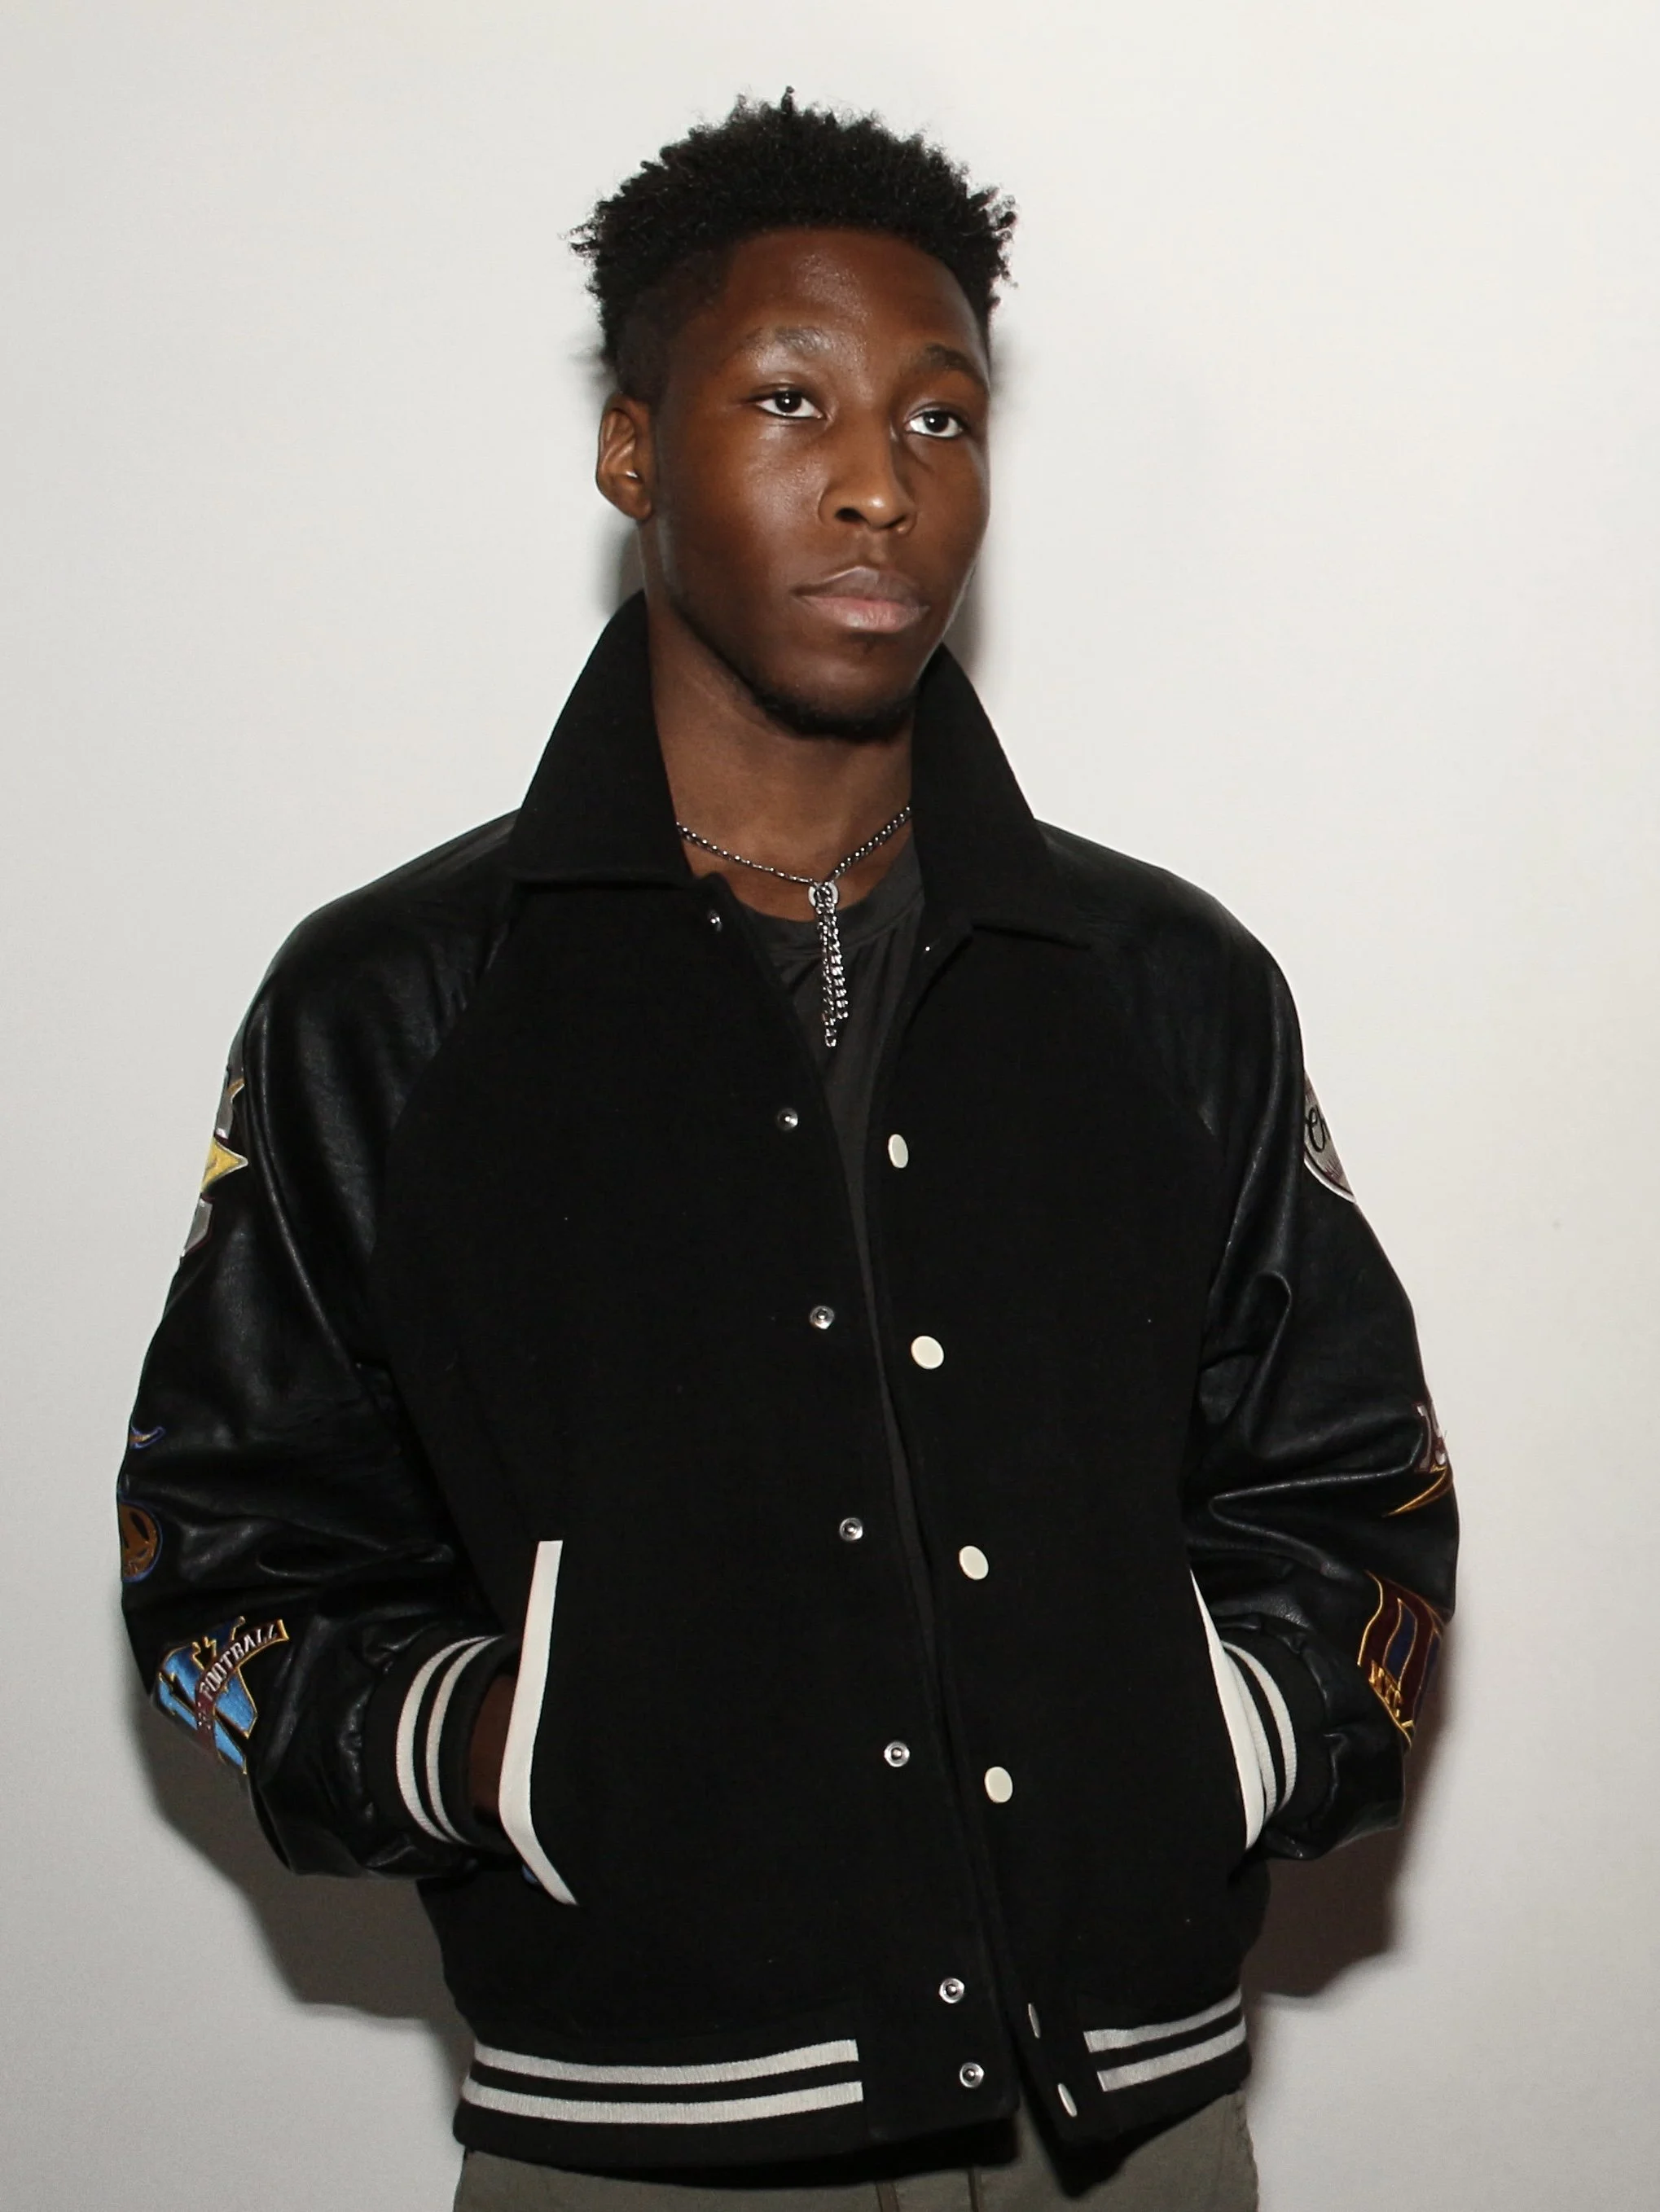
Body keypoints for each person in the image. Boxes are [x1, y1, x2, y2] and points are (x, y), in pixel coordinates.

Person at [118, 92, 1457, 2212]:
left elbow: (1355, 1488)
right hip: (636, 2149)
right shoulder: (392, 1005)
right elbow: (216, 1562)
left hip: (1130, 2138)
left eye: (940, 421)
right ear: (632, 447)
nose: (873, 482)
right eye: (786, 398)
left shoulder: (1164, 983)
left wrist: (1220, 1737)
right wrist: (507, 1753)